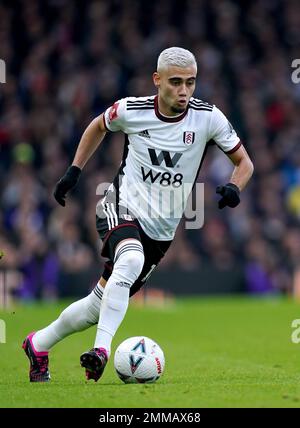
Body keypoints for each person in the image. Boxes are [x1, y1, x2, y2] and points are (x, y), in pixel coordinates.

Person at [22, 47, 254, 382]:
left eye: (191, 82)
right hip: (120, 205)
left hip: (161, 230)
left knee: (96, 306)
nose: (184, 90)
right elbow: (97, 126)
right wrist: (74, 170)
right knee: (129, 260)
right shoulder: (132, 109)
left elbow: (245, 163)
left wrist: (235, 187)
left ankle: (37, 343)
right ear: (157, 80)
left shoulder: (209, 118)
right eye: (175, 82)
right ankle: (101, 351)